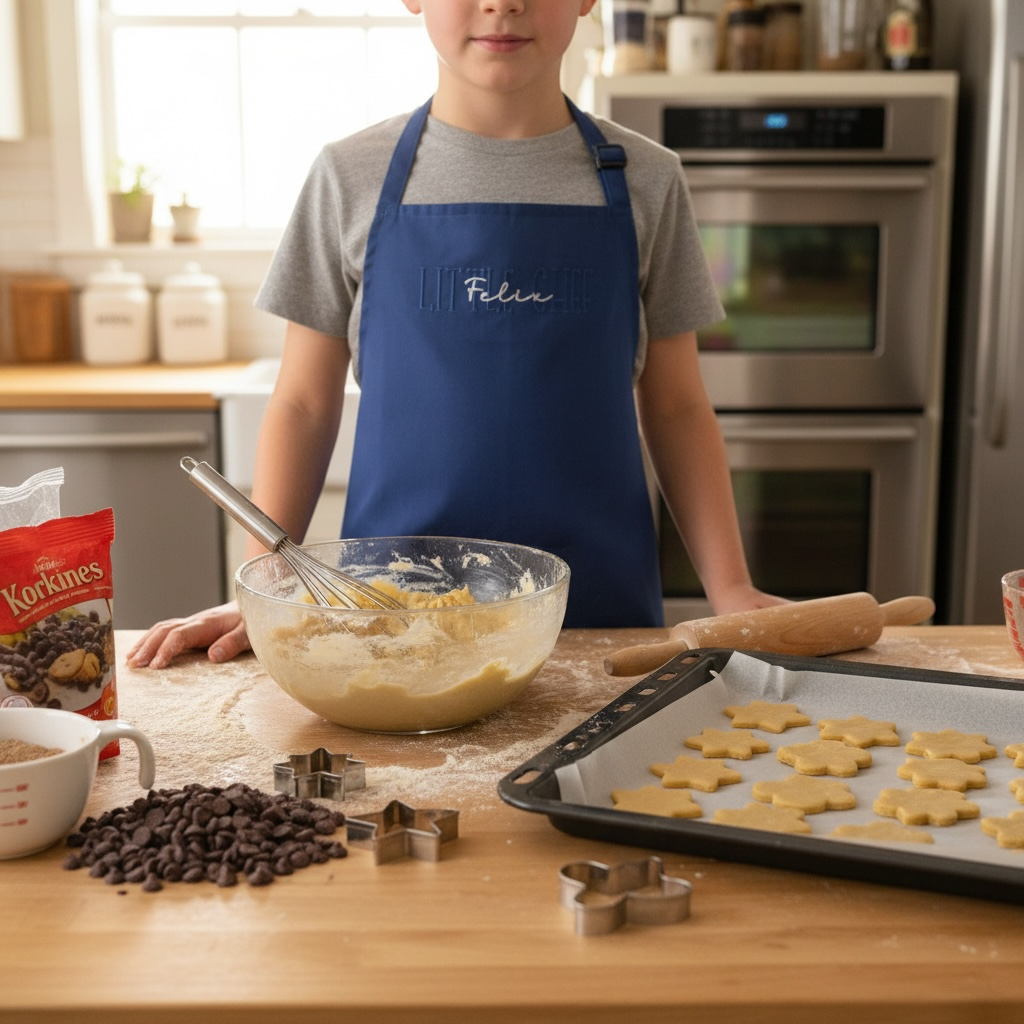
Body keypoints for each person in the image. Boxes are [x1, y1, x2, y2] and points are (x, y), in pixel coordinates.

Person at [128, 0, 782, 671]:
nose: (502, 3)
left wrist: (728, 586)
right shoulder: (349, 176)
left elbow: (676, 405)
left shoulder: (648, 180)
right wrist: (263, 587)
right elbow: (302, 403)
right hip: (389, 622)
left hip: (597, 623)